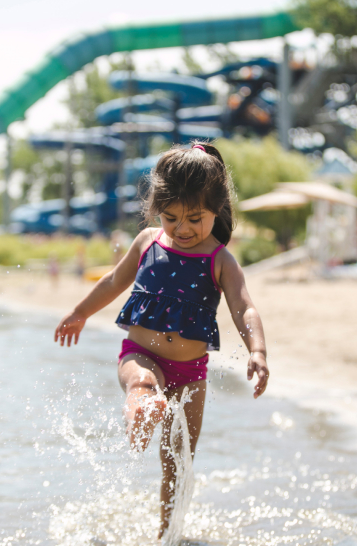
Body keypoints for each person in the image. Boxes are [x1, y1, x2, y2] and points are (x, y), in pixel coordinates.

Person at [53, 142, 270, 540]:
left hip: (191, 373)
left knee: (178, 459)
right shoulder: (148, 242)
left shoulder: (219, 259)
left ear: (216, 210)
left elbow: (244, 307)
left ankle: (166, 534)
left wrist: (257, 350)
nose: (183, 228)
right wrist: (81, 311)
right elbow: (114, 281)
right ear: (156, 209)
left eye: (195, 219)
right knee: (142, 384)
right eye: (171, 218)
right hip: (140, 354)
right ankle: (142, 410)